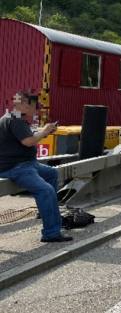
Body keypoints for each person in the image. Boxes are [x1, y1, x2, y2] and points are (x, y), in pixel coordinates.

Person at [0, 91, 72, 242]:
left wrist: (43, 133)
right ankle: (51, 233)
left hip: (27, 164)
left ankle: (45, 212)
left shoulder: (14, 118)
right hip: (17, 167)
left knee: (51, 174)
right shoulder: (15, 120)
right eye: (35, 107)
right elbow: (28, 141)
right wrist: (45, 131)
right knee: (45, 190)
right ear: (26, 105)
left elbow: (27, 137)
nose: (36, 110)